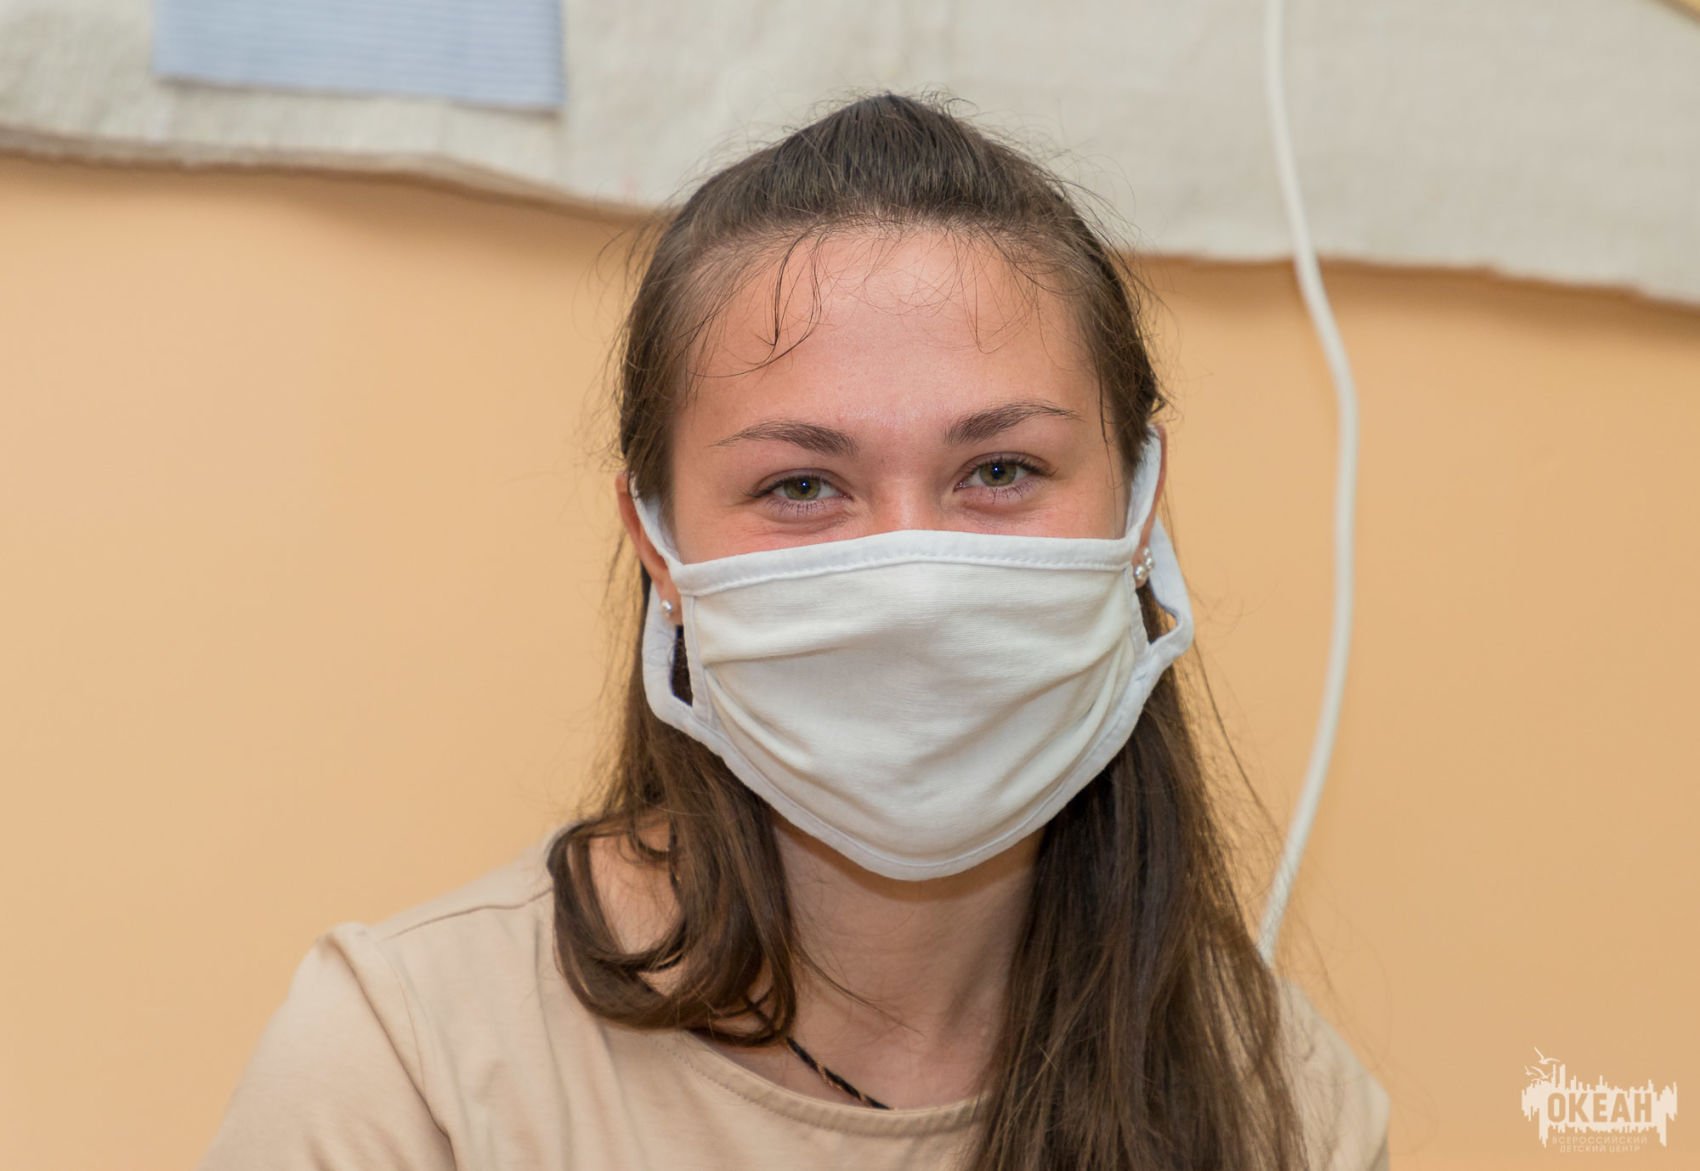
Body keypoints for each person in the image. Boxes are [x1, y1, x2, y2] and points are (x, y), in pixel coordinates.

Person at [197, 90, 1390, 1170]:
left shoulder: (1281, 1103)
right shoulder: (411, 1071)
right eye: (802, 486)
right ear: (657, 544)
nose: (913, 587)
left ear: (1136, 506)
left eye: (999, 469)